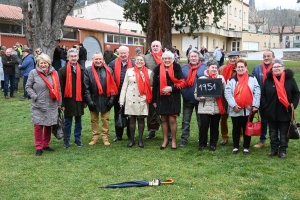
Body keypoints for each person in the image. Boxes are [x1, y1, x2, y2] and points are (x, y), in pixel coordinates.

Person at [261, 59, 299, 158]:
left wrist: (293, 105)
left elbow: (296, 93)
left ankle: (282, 150)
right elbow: (263, 94)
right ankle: (273, 149)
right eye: (274, 67)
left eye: (278, 66)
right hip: (271, 110)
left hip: (285, 111)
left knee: (284, 132)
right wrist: (266, 106)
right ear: (272, 69)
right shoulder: (268, 80)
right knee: (272, 132)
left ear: (283, 68)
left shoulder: (289, 79)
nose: (276, 68)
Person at [25, 54, 61, 156]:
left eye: (45, 63)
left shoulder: (54, 73)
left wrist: (60, 103)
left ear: (49, 63)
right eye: (41, 63)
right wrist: (35, 97)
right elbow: (28, 87)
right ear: (38, 63)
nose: (43, 65)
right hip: (38, 104)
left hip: (51, 104)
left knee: (48, 125)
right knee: (38, 126)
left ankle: (46, 144)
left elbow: (58, 89)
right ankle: (39, 147)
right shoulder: (33, 73)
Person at [224, 58, 260, 155]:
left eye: (242, 67)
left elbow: (257, 91)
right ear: (235, 68)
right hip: (236, 110)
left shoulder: (252, 79)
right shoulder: (231, 80)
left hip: (248, 109)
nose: (240, 68)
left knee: (247, 128)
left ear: (246, 67)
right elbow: (227, 93)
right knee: (236, 128)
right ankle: (236, 146)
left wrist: (255, 105)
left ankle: (246, 147)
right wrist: (233, 105)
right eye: (238, 67)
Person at [152, 51, 185, 150]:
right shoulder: (157, 69)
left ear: (172, 59)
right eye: (165, 58)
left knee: (172, 120)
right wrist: (154, 100)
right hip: (161, 98)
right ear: (162, 59)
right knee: (163, 119)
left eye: (169, 58)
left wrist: (171, 88)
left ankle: (174, 140)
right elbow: (155, 86)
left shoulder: (177, 68)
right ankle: (165, 140)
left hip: (173, 98)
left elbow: (182, 82)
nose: (167, 60)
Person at [84, 52, 118, 146]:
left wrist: (112, 99)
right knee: (94, 120)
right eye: (96, 59)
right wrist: (89, 101)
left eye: (100, 59)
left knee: (105, 119)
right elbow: (85, 87)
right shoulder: (88, 70)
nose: (98, 61)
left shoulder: (109, 70)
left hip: (106, 99)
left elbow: (113, 86)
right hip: (93, 99)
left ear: (103, 60)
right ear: (93, 60)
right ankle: (95, 137)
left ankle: (105, 137)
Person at [119, 54, 152, 148]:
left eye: (141, 60)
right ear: (135, 61)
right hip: (131, 98)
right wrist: (121, 100)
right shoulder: (129, 71)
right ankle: (132, 140)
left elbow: (151, 88)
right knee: (131, 120)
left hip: (142, 99)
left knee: (141, 120)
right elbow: (124, 86)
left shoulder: (149, 72)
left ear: (144, 62)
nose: (139, 61)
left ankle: (140, 140)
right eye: (137, 60)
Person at [195, 59, 226, 151]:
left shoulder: (220, 78)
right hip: (204, 107)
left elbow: (224, 92)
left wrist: (224, 83)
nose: (214, 69)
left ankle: (213, 144)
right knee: (203, 127)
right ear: (208, 68)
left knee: (214, 127)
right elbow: (196, 94)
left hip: (217, 107)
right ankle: (202, 144)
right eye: (212, 67)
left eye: (216, 68)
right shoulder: (201, 79)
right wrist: (200, 98)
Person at [58, 48, 85, 148]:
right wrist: (61, 104)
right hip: (68, 101)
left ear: (78, 57)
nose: (73, 58)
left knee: (79, 122)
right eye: (71, 56)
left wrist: (85, 102)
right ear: (68, 57)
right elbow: (60, 88)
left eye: (75, 56)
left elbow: (84, 87)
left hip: (79, 101)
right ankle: (66, 140)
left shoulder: (82, 70)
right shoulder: (62, 71)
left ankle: (77, 139)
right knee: (67, 122)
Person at [180, 49, 206, 147]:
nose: (193, 58)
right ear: (189, 58)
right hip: (188, 98)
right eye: (192, 56)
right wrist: (183, 92)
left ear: (199, 57)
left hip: (200, 99)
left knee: (201, 121)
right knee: (185, 121)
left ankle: (202, 139)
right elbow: (180, 81)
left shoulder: (204, 67)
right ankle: (184, 138)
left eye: (195, 56)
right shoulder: (184, 68)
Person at [109, 46, 135, 142]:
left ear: (128, 53)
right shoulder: (112, 63)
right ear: (118, 53)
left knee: (130, 115)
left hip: (130, 93)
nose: (123, 55)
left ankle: (130, 135)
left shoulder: (133, 63)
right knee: (118, 114)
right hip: (118, 93)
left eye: (125, 53)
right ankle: (118, 135)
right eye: (121, 53)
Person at [252, 50, 275, 149]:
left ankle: (276, 140)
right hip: (261, 99)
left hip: (274, 100)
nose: (266, 58)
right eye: (264, 56)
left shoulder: (277, 67)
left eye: (268, 56)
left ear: (273, 57)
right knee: (264, 120)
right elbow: (253, 83)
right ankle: (262, 140)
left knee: (275, 120)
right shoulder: (257, 68)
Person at [218, 51, 240, 145]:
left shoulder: (240, 68)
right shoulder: (222, 68)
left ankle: (238, 137)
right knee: (223, 118)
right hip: (224, 97)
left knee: (238, 119)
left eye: (234, 57)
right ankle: (224, 137)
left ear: (238, 58)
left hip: (236, 97)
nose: (232, 59)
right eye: (230, 57)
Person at [144, 40, 163, 139]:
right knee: (151, 110)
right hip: (151, 88)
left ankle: (167, 132)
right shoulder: (146, 58)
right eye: (153, 46)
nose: (155, 47)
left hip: (164, 87)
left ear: (161, 47)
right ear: (151, 47)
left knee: (164, 110)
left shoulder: (166, 57)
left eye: (157, 46)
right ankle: (152, 131)